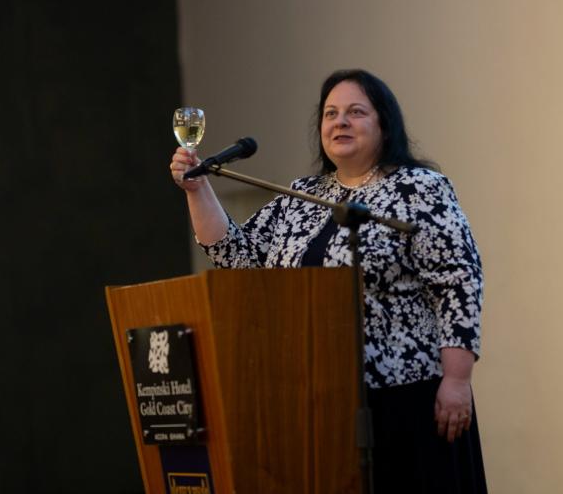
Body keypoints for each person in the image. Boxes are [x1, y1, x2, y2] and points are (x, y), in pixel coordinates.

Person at [169, 69, 486, 493]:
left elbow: (458, 283)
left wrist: (457, 380)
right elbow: (236, 255)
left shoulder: (418, 189)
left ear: (384, 124)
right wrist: (197, 191)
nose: (340, 122)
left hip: (404, 395)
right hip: (316, 396)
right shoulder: (301, 197)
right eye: (331, 113)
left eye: (356, 112)